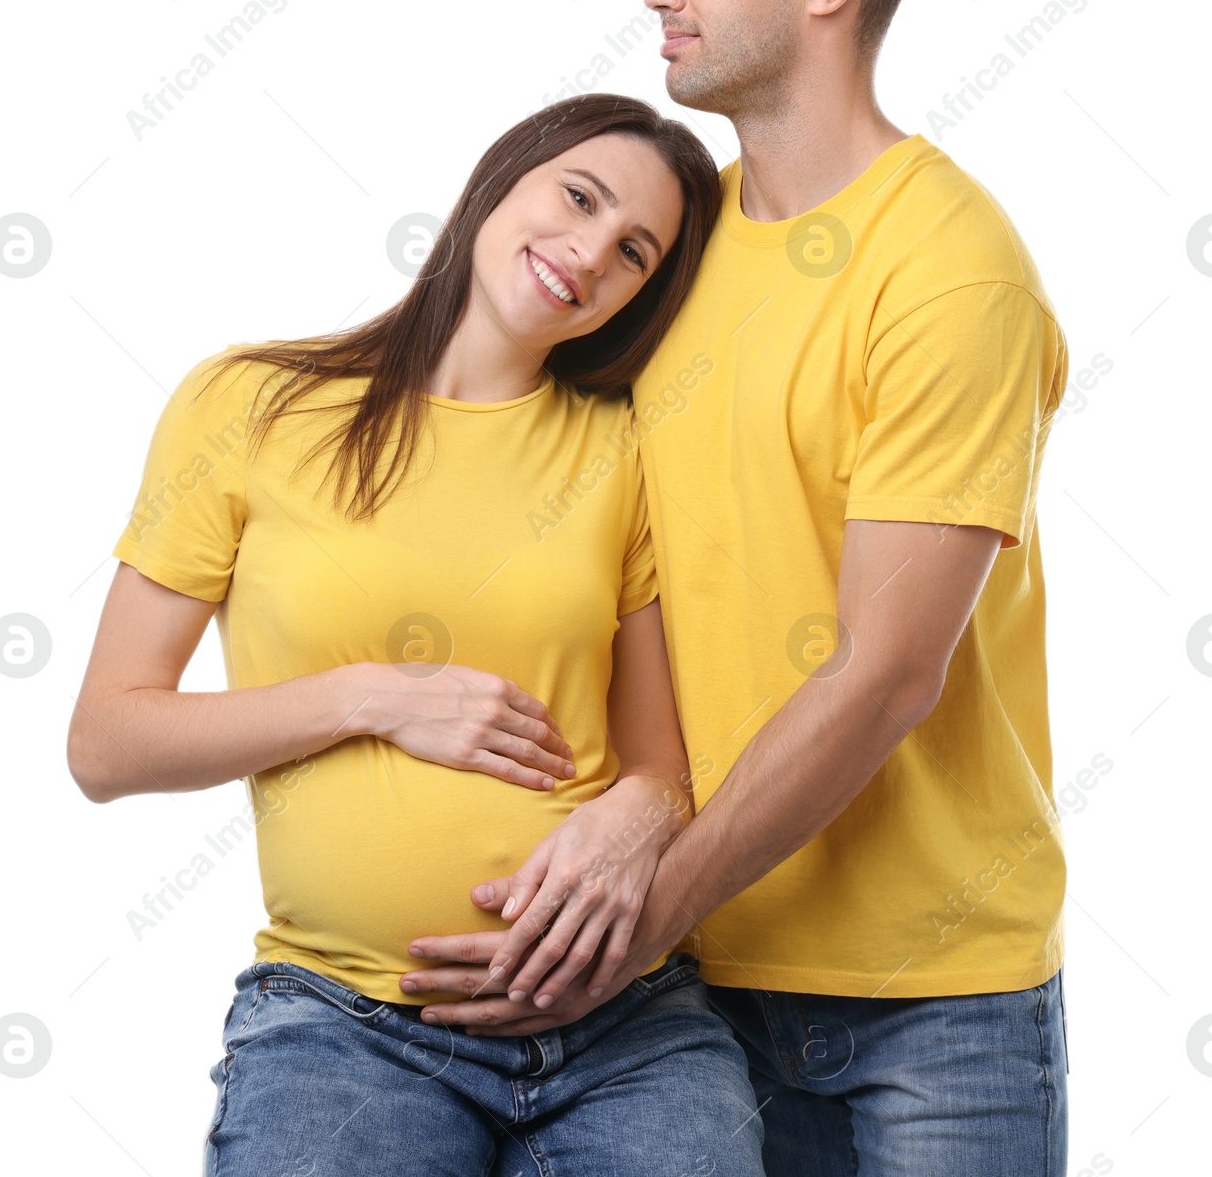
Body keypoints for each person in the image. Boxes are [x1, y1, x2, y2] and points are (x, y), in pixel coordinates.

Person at [404, 0, 1073, 1176]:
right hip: (678, 999)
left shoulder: (948, 269)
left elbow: (887, 672)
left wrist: (644, 909)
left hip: (926, 1005)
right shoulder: (663, 246)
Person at [66, 94, 767, 1176]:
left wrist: (642, 809)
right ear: (502, 178)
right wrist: (370, 697)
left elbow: (659, 764)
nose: (586, 253)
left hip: (622, 1027)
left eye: (632, 252)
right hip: (347, 1025)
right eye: (577, 198)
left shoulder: (626, 452)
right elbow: (107, 744)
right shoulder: (249, 406)